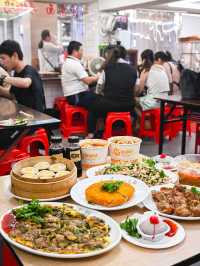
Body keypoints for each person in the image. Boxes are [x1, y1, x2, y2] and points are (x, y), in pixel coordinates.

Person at [88, 45, 137, 137]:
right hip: (128, 106)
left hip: (110, 105)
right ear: (125, 55)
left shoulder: (107, 69)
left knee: (92, 105)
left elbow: (98, 90)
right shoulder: (133, 69)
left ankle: (91, 133)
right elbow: (135, 88)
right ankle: (121, 130)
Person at [0, 40, 45, 112]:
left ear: (15, 56)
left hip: (36, 118)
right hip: (24, 115)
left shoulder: (30, 70)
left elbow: (25, 83)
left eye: (3, 58)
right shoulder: (16, 73)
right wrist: (1, 90)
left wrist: (3, 78)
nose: (1, 62)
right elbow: (13, 95)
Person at [61, 41, 99, 107]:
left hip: (72, 96)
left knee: (95, 92)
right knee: (100, 99)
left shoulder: (68, 61)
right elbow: (88, 81)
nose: (82, 53)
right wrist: (98, 77)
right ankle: (92, 117)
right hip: (76, 97)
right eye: (81, 50)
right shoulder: (74, 63)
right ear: (75, 51)